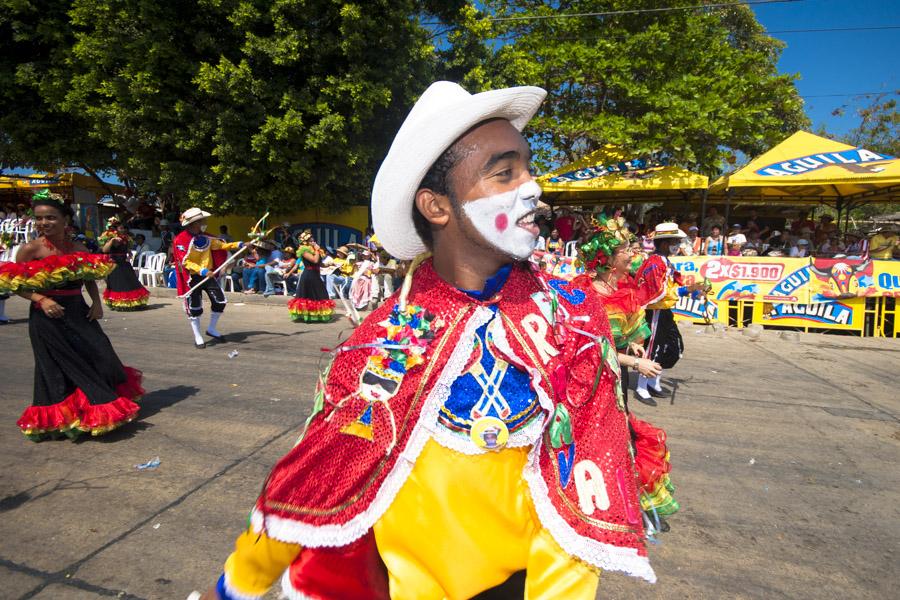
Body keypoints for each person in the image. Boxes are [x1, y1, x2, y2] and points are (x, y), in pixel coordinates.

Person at [194, 81, 659, 600]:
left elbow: (584, 471)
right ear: (437, 207)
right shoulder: (387, 337)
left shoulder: (570, 317)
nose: (532, 187)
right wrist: (239, 584)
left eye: (528, 168)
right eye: (504, 173)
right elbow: (321, 473)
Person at [0, 190, 143, 441]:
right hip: (47, 318)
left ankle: (95, 405)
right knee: (59, 366)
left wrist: (96, 303)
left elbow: (88, 278)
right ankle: (73, 417)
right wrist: (41, 299)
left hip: (78, 310)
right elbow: (14, 284)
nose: (44, 223)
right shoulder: (29, 249)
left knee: (101, 353)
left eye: (51, 218)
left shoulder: (78, 247)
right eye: (40, 218)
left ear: (66, 220)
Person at [576, 215, 680, 518]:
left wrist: (632, 345)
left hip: (615, 378)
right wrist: (636, 361)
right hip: (590, 381)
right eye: (624, 250)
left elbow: (623, 334)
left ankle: (618, 499)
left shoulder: (624, 291)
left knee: (619, 437)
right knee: (595, 439)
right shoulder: (586, 295)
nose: (632, 255)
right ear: (608, 259)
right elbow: (595, 347)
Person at [636, 223, 706, 404]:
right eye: (676, 242)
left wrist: (694, 290)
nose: (678, 246)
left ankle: (653, 381)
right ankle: (642, 387)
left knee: (673, 347)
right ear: (665, 243)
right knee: (652, 349)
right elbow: (656, 292)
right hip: (655, 312)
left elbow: (671, 287)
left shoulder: (664, 261)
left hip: (665, 311)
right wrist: (686, 290)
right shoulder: (654, 263)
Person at [172, 207, 243, 348]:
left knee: (220, 301)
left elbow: (221, 245)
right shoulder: (180, 240)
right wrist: (202, 271)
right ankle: (198, 336)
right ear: (194, 224)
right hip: (192, 277)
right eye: (201, 221)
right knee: (195, 307)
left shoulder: (205, 237)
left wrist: (239, 244)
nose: (204, 222)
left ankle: (211, 329)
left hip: (208, 275)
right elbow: (185, 261)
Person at [99, 217, 150, 310]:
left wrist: (128, 252)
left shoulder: (126, 238)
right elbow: (104, 250)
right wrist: (111, 241)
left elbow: (125, 248)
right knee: (119, 284)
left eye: (124, 228)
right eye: (121, 228)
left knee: (131, 282)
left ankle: (134, 302)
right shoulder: (110, 237)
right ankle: (121, 303)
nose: (124, 230)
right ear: (116, 229)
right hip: (115, 264)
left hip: (124, 263)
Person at [286, 230, 334, 322]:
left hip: (315, 274)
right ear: (305, 242)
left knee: (320, 295)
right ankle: (308, 317)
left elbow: (318, 263)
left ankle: (317, 316)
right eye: (311, 240)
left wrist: (328, 265)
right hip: (309, 275)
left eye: (313, 239)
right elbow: (314, 261)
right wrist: (317, 250)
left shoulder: (314, 250)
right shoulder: (304, 250)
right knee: (310, 296)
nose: (313, 241)